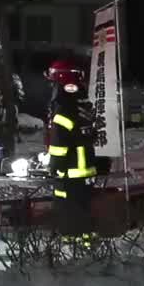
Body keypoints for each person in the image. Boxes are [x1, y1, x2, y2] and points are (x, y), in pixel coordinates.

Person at [45, 59, 97, 243]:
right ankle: (86, 245)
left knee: (67, 209)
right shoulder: (82, 105)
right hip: (86, 169)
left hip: (69, 171)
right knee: (84, 209)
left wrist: (54, 167)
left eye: (53, 83)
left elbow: (59, 145)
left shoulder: (63, 109)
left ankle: (69, 247)